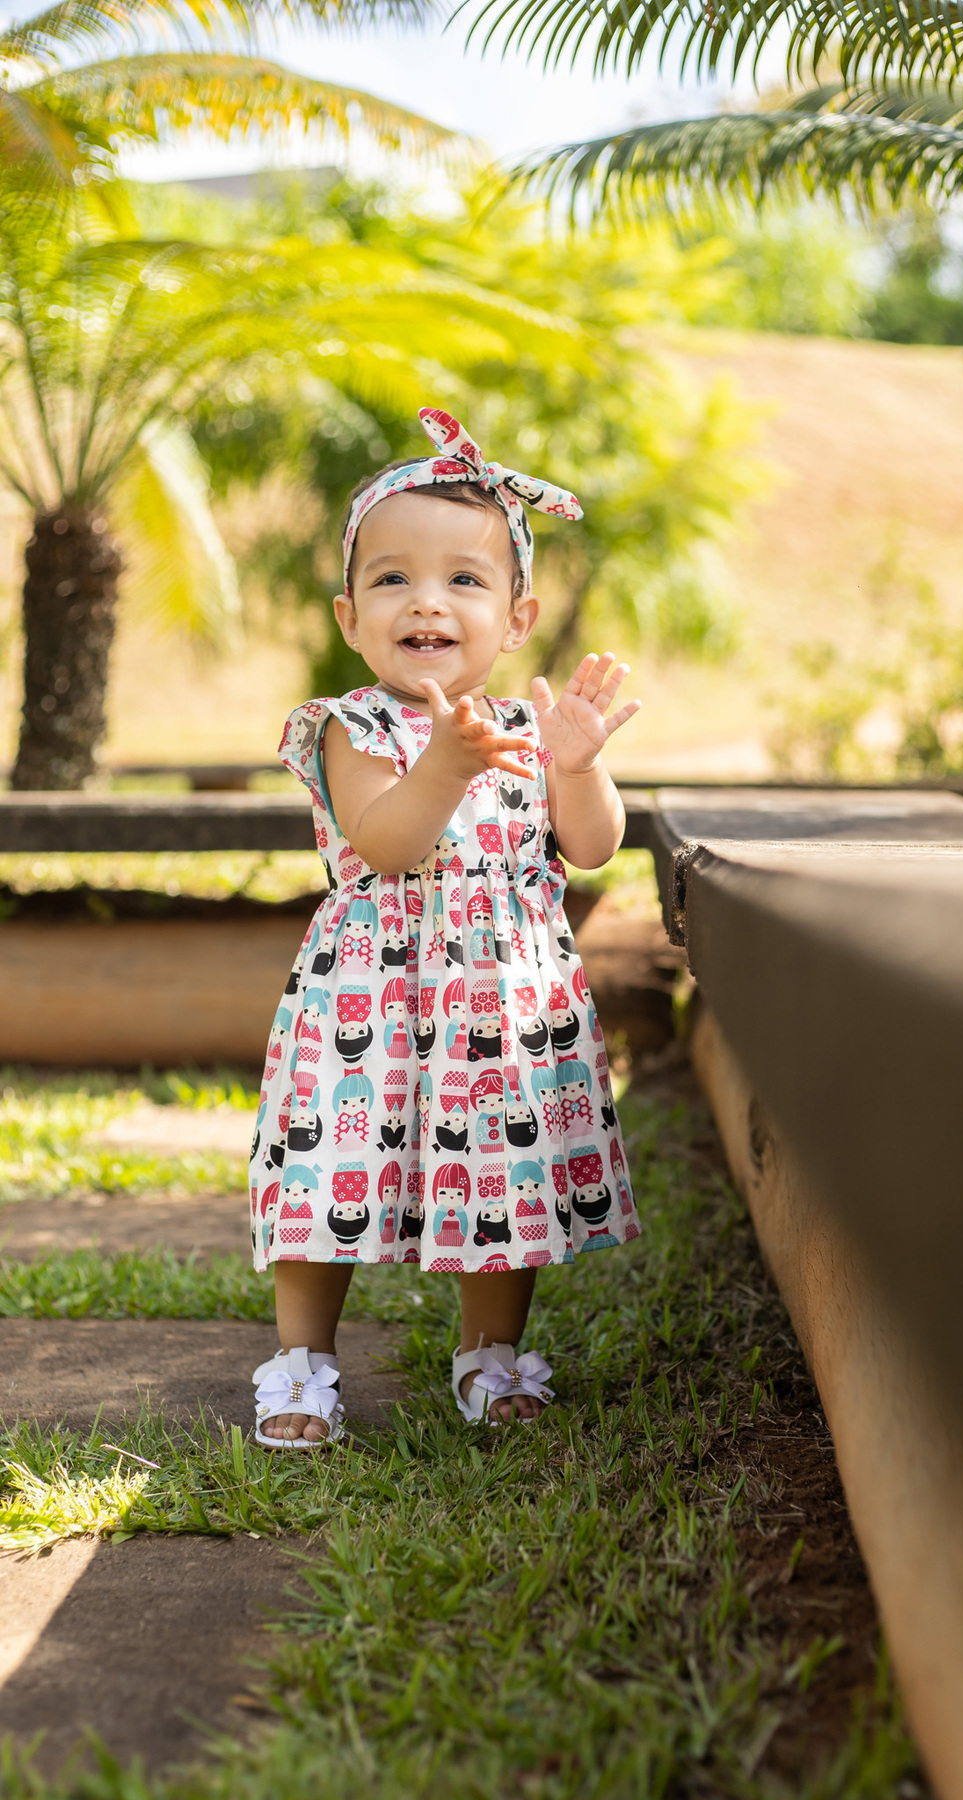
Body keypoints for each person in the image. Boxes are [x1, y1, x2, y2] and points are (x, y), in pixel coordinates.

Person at [248, 405, 643, 1444]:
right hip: (370, 996)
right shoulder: (348, 726)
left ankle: (492, 1352)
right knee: (331, 1170)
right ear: (348, 614)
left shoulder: (525, 725)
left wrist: (579, 761)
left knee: (504, 1178)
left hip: (500, 1004)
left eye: (464, 579)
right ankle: (302, 1365)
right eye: (392, 579)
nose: (427, 602)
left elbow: (592, 844)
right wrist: (444, 765)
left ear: (517, 617)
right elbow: (386, 843)